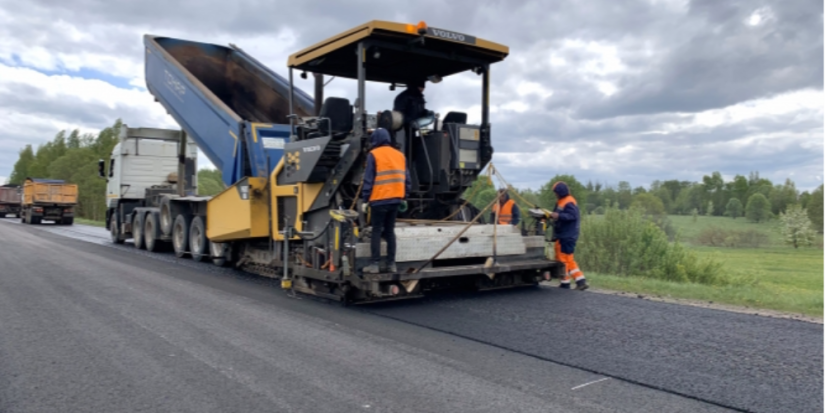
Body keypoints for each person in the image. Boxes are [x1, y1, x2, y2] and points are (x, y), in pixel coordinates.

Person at [361, 128, 411, 274]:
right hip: (395, 200)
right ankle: (391, 264)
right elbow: (407, 179)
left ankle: (375, 264)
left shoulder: (373, 154)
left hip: (379, 199)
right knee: (389, 231)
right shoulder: (400, 155)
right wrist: (405, 197)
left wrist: (365, 199)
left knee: (377, 230)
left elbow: (368, 179)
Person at [550, 181, 588, 290]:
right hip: (565, 235)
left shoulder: (568, 201)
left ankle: (566, 282)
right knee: (567, 258)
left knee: (563, 259)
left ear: (560, 192)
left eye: (556, 192)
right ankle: (579, 281)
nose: (555, 194)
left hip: (567, 235)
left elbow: (572, 216)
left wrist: (558, 216)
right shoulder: (561, 201)